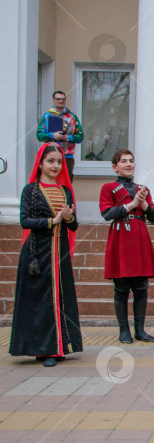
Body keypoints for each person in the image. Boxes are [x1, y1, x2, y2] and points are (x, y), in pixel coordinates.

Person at [9, 143, 82, 366]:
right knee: (38, 301)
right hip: (35, 254)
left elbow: (74, 225)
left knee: (59, 298)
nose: (56, 165)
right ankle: (41, 348)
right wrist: (53, 220)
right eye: (51, 161)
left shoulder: (66, 191)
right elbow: (25, 221)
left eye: (59, 162)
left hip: (59, 252)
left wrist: (68, 218)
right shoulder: (30, 191)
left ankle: (57, 348)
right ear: (40, 163)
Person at [99, 150, 154, 344]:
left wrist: (143, 206)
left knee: (141, 287)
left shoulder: (143, 189)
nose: (128, 164)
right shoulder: (108, 187)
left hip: (140, 235)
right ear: (115, 166)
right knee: (122, 287)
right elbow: (107, 213)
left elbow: (153, 217)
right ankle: (124, 331)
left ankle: (140, 330)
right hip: (120, 238)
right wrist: (131, 204)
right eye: (123, 161)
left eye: (131, 161)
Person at [36, 91, 83, 181]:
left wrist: (67, 137)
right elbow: (39, 135)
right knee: (49, 181)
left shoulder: (72, 117)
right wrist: (52, 135)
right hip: (50, 155)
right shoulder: (47, 116)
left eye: (63, 99)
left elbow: (80, 137)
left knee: (66, 183)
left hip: (67, 156)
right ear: (53, 100)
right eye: (58, 99)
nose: (60, 101)